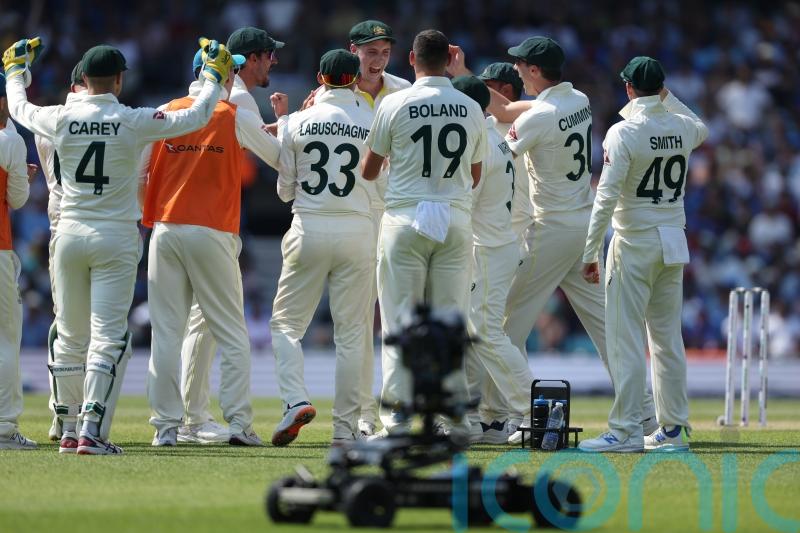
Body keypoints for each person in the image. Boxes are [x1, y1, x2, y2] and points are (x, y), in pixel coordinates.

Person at [4, 37, 232, 454]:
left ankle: (69, 426)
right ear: (120, 80)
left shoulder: (59, 117)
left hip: (69, 233)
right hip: (115, 235)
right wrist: (215, 75)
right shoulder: (133, 119)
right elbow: (198, 116)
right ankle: (91, 430)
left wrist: (16, 71)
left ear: (84, 80)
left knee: (71, 334)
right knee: (107, 337)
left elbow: (19, 109)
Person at [486, 37, 658, 444]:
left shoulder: (539, 116)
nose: (516, 72)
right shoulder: (577, 99)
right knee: (607, 331)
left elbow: (497, 155)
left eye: (520, 65)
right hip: (583, 228)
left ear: (534, 70)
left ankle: (520, 416)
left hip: (550, 231)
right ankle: (646, 415)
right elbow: (512, 109)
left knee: (503, 328)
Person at [142, 50, 283, 447]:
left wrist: (156, 212)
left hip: (165, 230)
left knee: (167, 333)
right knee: (232, 333)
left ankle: (167, 428)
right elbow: (277, 157)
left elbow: (140, 174)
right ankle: (239, 424)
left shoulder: (166, 111)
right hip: (212, 230)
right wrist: (287, 125)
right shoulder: (229, 114)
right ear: (224, 77)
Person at [361, 29, 487, 438]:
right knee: (453, 321)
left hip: (405, 217)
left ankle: (397, 419)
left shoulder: (393, 103)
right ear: (450, 60)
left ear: (411, 60)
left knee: (399, 321)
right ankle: (456, 417)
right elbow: (475, 173)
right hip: (454, 217)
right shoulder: (470, 107)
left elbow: (369, 169)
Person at [579, 57, 707, 452]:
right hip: (672, 239)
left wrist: (590, 252)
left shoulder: (624, 132)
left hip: (634, 241)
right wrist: (666, 97)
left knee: (625, 340)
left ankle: (625, 430)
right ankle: (673, 430)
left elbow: (605, 196)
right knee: (667, 340)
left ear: (629, 89)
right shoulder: (683, 128)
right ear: (662, 88)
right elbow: (701, 126)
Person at [270, 49, 375, 446]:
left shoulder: (297, 121)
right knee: (351, 335)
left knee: (285, 326)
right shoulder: (372, 119)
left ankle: (295, 399)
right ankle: (345, 430)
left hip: (309, 225)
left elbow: (283, 191)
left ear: (319, 78)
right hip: (357, 229)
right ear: (356, 79)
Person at [315, 19, 411, 437]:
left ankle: (391, 413)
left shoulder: (405, 91)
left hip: (392, 213)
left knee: (391, 315)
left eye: (384, 52)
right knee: (358, 321)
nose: (378, 60)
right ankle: (363, 415)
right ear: (352, 51)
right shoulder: (328, 95)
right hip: (350, 215)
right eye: (370, 52)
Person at [450, 75, 531, 444]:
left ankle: (534, 408)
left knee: (485, 332)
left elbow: (464, 201)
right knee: (475, 332)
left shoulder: (479, 141)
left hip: (488, 248)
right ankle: (472, 415)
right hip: (496, 246)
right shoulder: (495, 137)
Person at [35, 62, 85, 442]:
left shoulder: (49, 121)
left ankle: (62, 415)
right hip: (94, 223)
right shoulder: (97, 119)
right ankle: (83, 417)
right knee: (95, 329)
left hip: (60, 229)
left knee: (65, 324)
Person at [0, 72, 38, 450]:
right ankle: (4, 428)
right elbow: (19, 199)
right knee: (5, 340)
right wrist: (23, 178)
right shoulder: (9, 140)